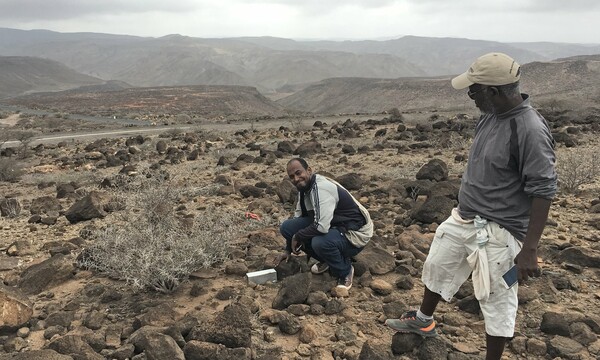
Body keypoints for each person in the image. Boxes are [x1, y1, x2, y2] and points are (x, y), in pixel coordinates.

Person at [385, 53, 557, 360]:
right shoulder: (490, 116)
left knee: (496, 297)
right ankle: (424, 322)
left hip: (499, 230)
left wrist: (529, 248)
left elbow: (543, 190)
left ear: (493, 91)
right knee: (437, 265)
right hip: (465, 217)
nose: (470, 96)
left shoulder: (529, 130)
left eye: (474, 90)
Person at [275, 158, 373, 290]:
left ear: (309, 170)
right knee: (287, 227)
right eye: (292, 176)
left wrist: (298, 237)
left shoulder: (321, 188)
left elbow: (321, 227)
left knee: (319, 242)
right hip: (336, 225)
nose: (296, 179)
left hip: (355, 232)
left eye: (299, 173)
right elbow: (297, 220)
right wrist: (288, 250)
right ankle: (328, 260)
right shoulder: (304, 190)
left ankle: (345, 269)